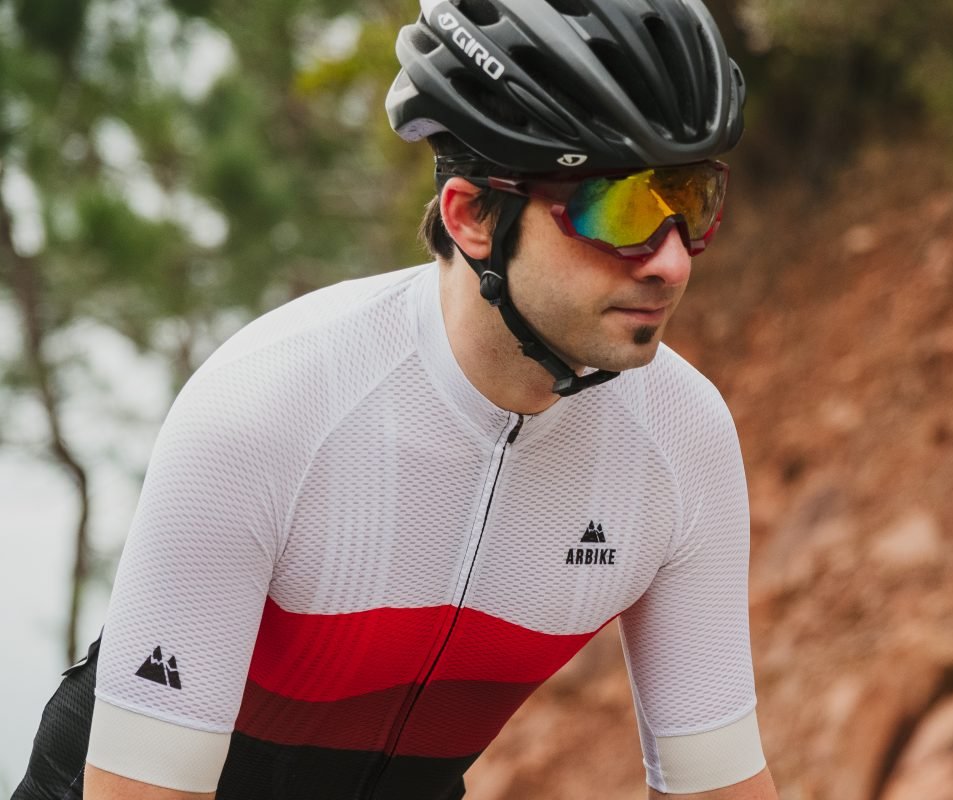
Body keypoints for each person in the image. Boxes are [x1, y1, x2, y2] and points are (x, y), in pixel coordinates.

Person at [14, 0, 777, 797]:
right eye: (618, 209)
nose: (672, 263)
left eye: (690, 200)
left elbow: (718, 785)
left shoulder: (682, 440)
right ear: (472, 215)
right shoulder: (267, 408)